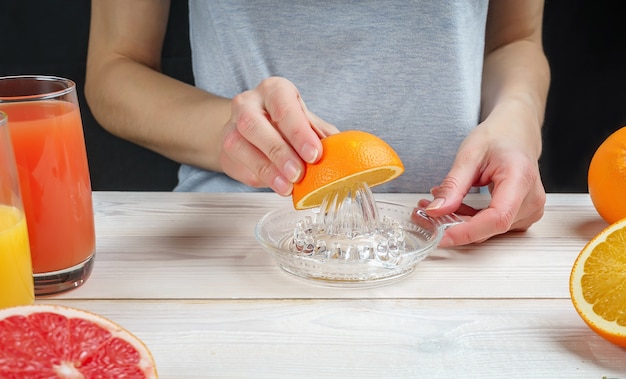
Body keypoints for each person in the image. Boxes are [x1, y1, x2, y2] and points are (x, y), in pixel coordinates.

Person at [85, 1, 550, 247]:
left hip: (462, 232)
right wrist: (230, 134)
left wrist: (518, 119)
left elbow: (515, 40)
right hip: (232, 236)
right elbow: (115, 68)